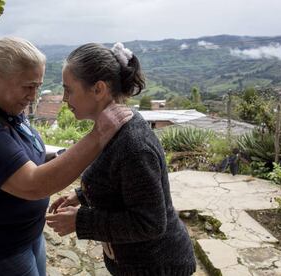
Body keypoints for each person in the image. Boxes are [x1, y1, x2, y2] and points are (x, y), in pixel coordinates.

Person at [0, 37, 132, 276]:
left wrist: (63, 157)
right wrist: (100, 134)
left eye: (37, 86)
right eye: (27, 87)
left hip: (28, 233)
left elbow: (23, 154)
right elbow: (32, 185)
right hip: (3, 247)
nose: (33, 96)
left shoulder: (3, 105)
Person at [46, 42, 196, 275]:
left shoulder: (134, 146)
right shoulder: (111, 129)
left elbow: (151, 223)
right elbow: (116, 182)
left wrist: (81, 221)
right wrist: (81, 196)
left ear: (98, 89)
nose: (65, 98)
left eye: (69, 90)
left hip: (156, 266)